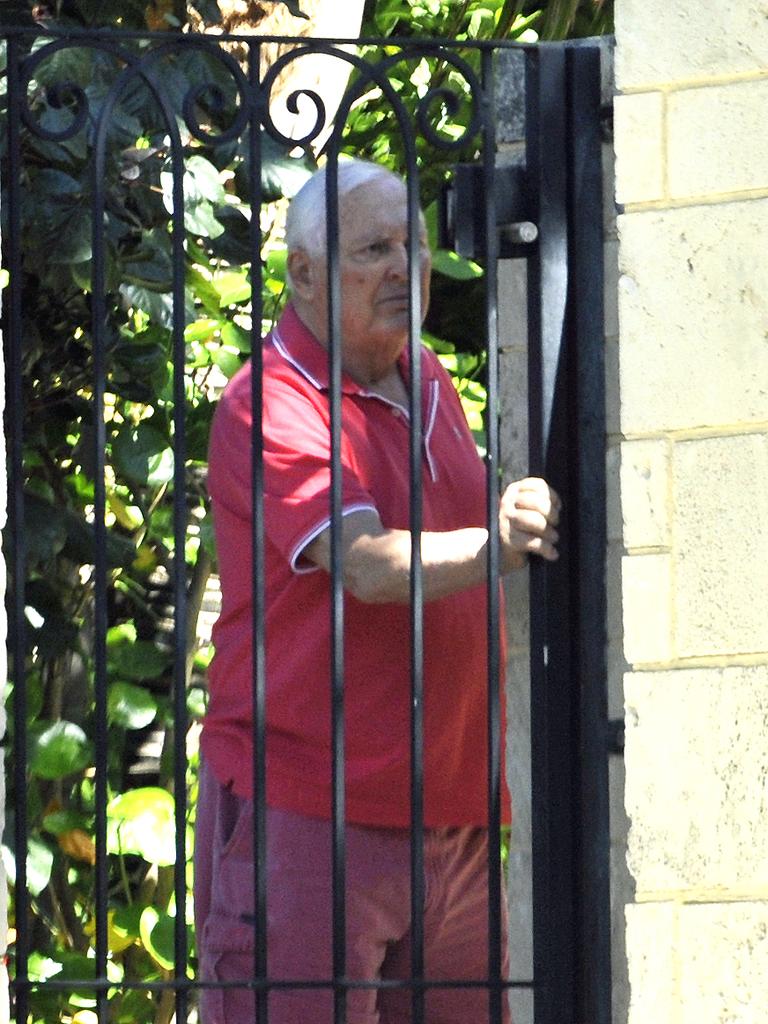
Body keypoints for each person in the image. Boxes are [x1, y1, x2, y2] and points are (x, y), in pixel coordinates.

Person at [194, 159, 561, 1024]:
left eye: (415, 242)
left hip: (457, 817)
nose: (407, 266)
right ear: (306, 275)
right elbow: (366, 565)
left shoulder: (428, 381)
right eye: (375, 248)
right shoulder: (269, 404)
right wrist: (500, 543)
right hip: (311, 812)